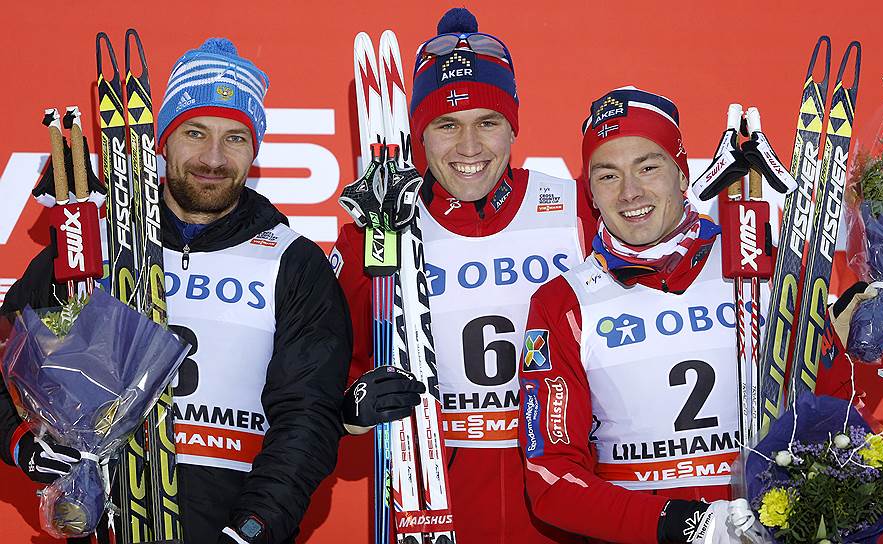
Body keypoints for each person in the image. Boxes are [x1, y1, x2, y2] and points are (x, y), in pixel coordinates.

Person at [0, 38, 356, 544]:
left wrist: (254, 527)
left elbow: (308, 417)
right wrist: (21, 441)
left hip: (232, 526)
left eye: (235, 137)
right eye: (194, 132)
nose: (213, 157)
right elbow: (7, 355)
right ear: (162, 141)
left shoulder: (293, 262)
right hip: (110, 522)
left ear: (254, 150)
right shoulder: (92, 246)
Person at [332, 8, 595, 543]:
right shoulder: (377, 231)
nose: (469, 147)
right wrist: (350, 410)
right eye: (447, 125)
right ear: (419, 135)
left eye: (488, 122)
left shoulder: (576, 210)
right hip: (433, 511)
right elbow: (330, 373)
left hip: (565, 512)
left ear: (513, 126)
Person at [517, 87, 763, 543]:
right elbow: (551, 478)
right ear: (591, 194)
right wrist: (685, 526)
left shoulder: (759, 267)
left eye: (648, 167)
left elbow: (830, 416)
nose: (630, 192)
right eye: (608, 176)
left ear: (682, 173)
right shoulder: (563, 303)